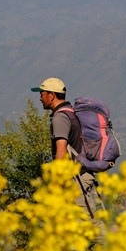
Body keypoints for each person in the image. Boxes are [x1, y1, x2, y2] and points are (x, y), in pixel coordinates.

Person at [31, 77, 101, 219]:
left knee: (87, 224)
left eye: (42, 93)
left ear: (51, 95)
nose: (40, 98)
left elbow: (61, 151)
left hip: (75, 179)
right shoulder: (70, 112)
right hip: (81, 175)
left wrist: (55, 183)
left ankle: (108, 242)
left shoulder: (60, 117)